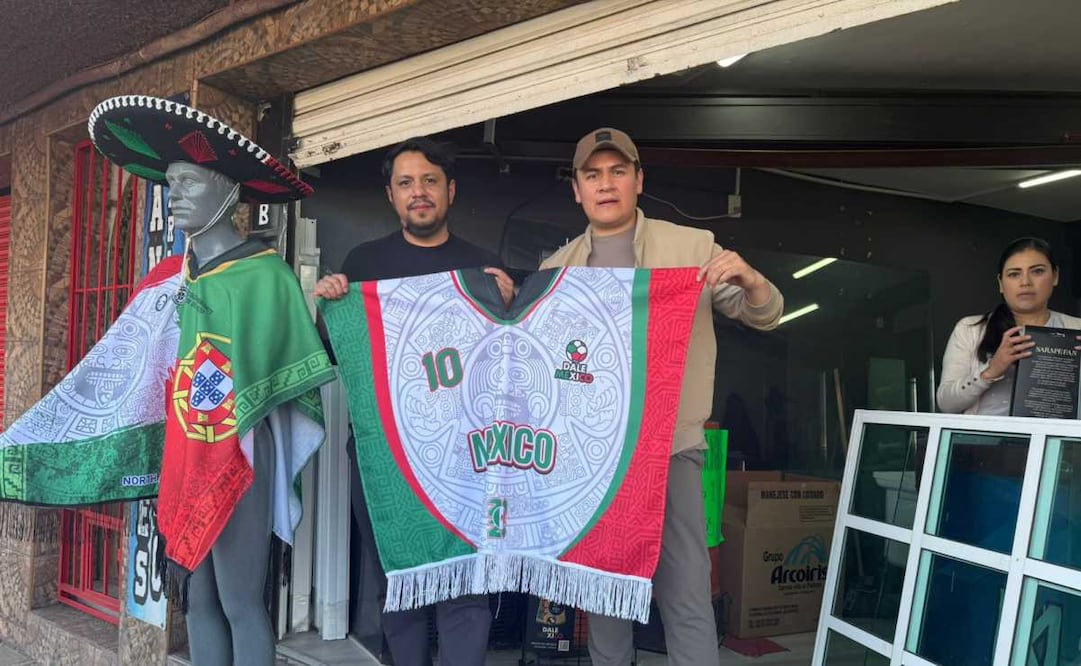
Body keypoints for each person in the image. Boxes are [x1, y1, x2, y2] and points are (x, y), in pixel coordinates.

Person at [88, 95, 335, 665]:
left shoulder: (265, 277)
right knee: (196, 597)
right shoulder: (169, 278)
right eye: (170, 184)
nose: (174, 197)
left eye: (191, 184)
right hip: (184, 449)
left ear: (227, 192)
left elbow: (286, 370)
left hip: (241, 448)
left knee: (239, 598)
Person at [540, 127, 784, 666]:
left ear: (639, 181)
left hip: (673, 448)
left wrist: (750, 278)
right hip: (596, 458)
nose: (606, 184)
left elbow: (765, 314)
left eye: (618, 171)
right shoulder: (554, 271)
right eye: (592, 174)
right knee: (605, 593)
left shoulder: (692, 248)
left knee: (686, 592)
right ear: (576, 190)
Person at [314, 137, 513, 666]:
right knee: (398, 585)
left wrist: (512, 312)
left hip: (468, 457)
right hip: (385, 457)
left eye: (429, 181)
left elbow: (512, 366)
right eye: (406, 183)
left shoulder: (482, 268)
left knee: (465, 586)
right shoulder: (363, 263)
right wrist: (330, 306)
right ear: (391, 195)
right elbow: (335, 351)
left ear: (450, 190)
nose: (418, 192)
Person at [937, 237, 1081, 415]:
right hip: (980, 441)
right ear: (1001, 283)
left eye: (1037, 271)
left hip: (1054, 441)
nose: (1025, 282)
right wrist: (991, 370)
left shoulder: (1077, 328)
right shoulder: (970, 329)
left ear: (1055, 276)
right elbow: (946, 403)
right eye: (1014, 274)